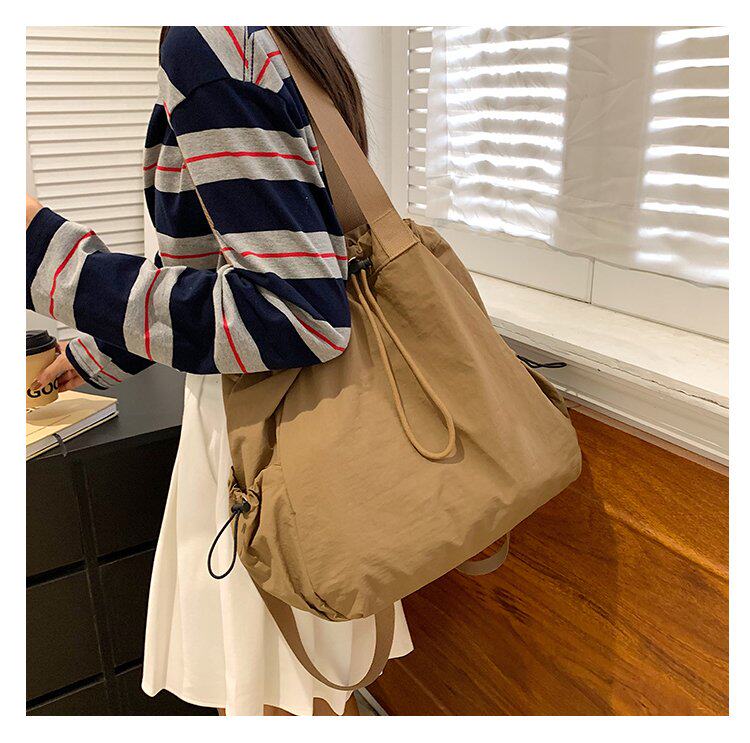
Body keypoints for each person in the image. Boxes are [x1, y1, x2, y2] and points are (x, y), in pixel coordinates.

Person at [26, 25, 413, 717]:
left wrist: (43, 252)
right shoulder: (271, 33)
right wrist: (102, 350)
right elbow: (222, 263)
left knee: (281, 694)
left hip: (261, 440)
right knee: (308, 689)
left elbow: (296, 314)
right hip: (319, 422)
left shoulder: (207, 39)